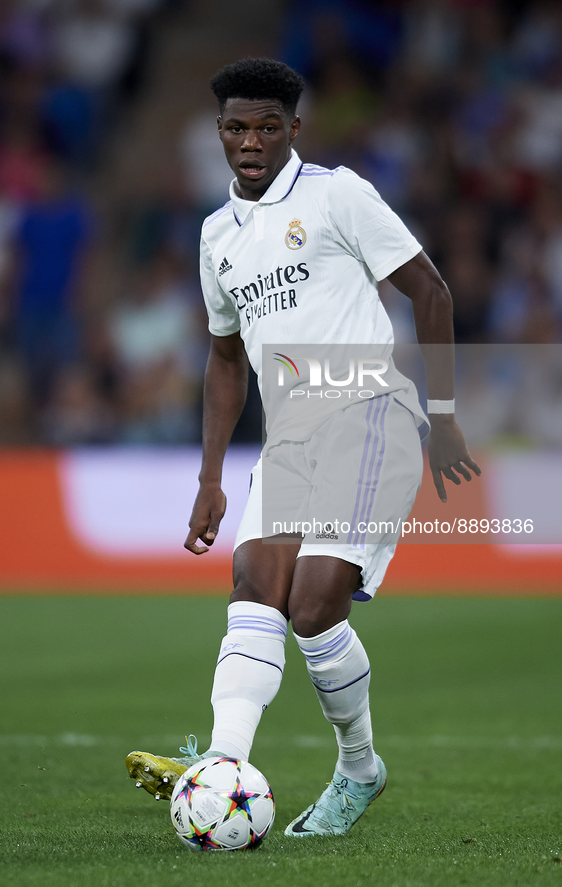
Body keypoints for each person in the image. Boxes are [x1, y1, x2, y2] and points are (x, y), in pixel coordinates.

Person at [126, 58, 480, 837]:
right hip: (287, 432)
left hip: (367, 406)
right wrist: (209, 475)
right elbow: (224, 358)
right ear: (218, 134)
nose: (250, 141)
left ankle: (357, 767)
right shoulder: (216, 235)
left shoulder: (336, 193)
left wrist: (445, 414)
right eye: (235, 128)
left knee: (313, 604)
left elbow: (431, 289)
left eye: (265, 127)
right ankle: (221, 765)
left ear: (293, 128)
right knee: (255, 585)